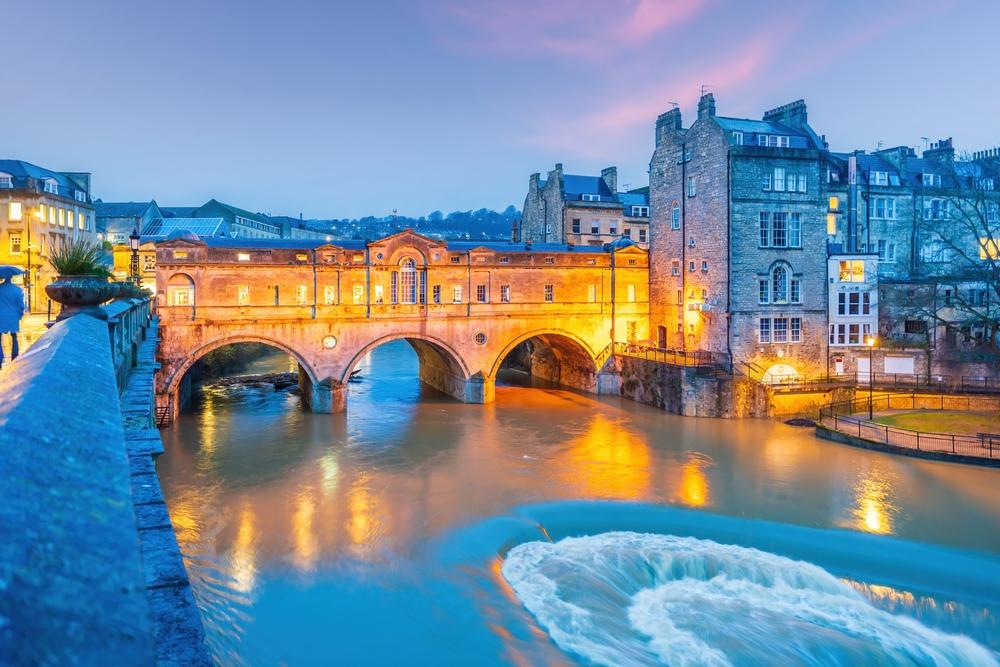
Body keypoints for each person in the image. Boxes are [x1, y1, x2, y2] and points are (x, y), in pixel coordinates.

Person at [0, 276, 25, 368]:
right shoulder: (17, 290)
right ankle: (14, 357)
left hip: (1, 316)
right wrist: (20, 315)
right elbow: (21, 305)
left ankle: (0, 357)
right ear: (11, 277)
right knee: (14, 337)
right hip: (13, 316)